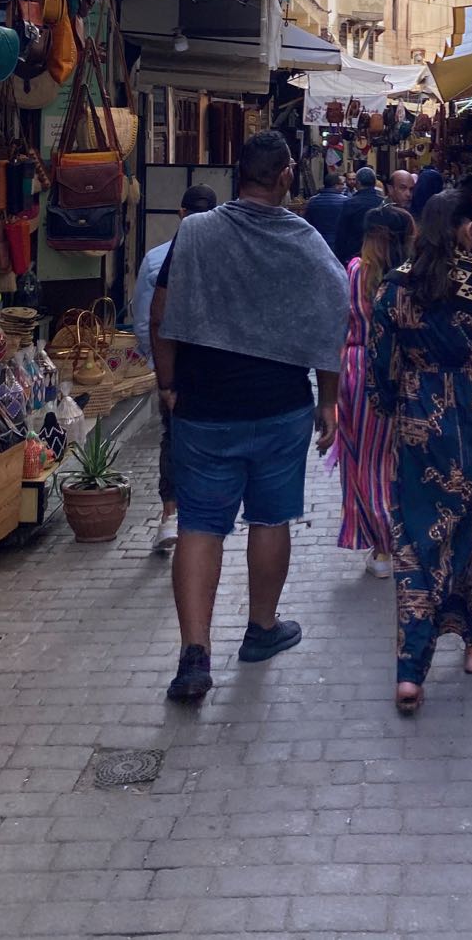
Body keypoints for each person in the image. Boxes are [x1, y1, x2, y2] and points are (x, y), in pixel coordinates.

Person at [151, 131, 349, 704]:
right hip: (278, 406)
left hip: (204, 405)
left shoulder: (196, 231)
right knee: (269, 520)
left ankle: (195, 654)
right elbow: (333, 312)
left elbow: (160, 314)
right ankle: (261, 630)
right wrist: (329, 399)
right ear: (286, 175)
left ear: (238, 173)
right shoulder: (303, 238)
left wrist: (167, 385)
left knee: (200, 525)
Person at [367, 190, 472, 715]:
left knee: (416, 541)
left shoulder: (394, 289)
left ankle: (410, 673)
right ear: (465, 229)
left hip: (422, 425)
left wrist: (393, 403)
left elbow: (381, 370)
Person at [132, 184, 217, 554]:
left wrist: (157, 366)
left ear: (181, 214)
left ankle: (171, 515)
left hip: (174, 368)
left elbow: (143, 319)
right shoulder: (224, 259)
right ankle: (203, 515)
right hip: (214, 366)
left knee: (173, 435)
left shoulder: (155, 258)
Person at [335, 203, 414, 578]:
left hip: (358, 368)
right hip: (404, 370)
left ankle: (384, 547)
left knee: (366, 460)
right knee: (397, 459)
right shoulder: (413, 279)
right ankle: (399, 540)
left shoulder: (354, 272)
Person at [333, 164, 383, 266]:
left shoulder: (350, 204)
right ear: (374, 183)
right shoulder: (382, 203)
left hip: (354, 256)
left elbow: (341, 233)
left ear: (358, 183)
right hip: (379, 255)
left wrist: (340, 258)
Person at [303, 170, 347, 245]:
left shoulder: (313, 201)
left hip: (318, 240)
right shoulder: (345, 201)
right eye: (342, 184)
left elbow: (308, 222)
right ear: (336, 185)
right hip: (339, 242)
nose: (344, 187)